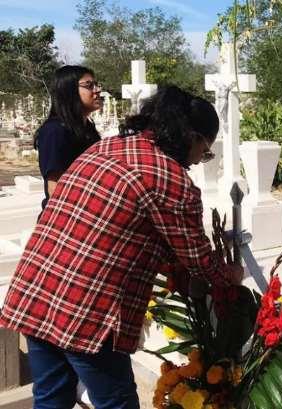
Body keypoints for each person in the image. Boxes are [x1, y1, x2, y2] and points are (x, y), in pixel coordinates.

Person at [1, 86, 243, 409]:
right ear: (192, 137)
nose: (201, 160)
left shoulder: (108, 147)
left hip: (36, 292)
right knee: (117, 403)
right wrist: (231, 273)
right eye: (206, 150)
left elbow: (123, 226)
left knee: (50, 399)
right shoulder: (172, 179)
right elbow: (199, 260)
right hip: (85, 313)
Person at [34, 65, 102, 209]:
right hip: (68, 218)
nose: (97, 90)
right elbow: (55, 189)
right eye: (89, 85)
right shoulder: (55, 131)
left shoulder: (87, 128)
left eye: (96, 84)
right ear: (69, 91)